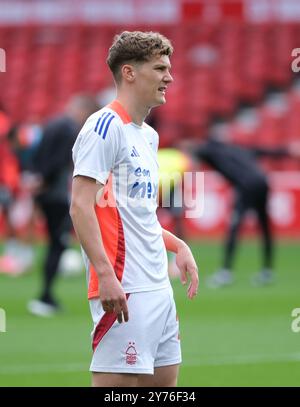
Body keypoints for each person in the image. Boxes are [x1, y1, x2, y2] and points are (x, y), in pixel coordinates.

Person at [70, 31, 199, 387]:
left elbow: (136, 217)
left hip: (160, 289)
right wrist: (106, 273)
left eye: (169, 68)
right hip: (125, 290)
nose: (169, 77)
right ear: (129, 73)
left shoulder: (148, 136)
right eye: (159, 68)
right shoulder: (103, 127)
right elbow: (81, 207)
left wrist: (178, 245)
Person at [28, 95, 99, 316]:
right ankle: (45, 296)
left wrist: (36, 179)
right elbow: (59, 161)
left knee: (54, 242)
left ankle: (47, 295)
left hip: (44, 191)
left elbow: (36, 154)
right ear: (82, 110)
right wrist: (46, 181)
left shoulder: (51, 124)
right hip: (55, 193)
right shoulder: (69, 129)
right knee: (57, 243)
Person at [192, 136, 293, 288]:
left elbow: (199, 152)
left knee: (234, 227)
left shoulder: (212, 152)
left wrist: (189, 151)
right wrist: (286, 150)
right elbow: (264, 151)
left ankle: (225, 273)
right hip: (262, 182)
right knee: (264, 226)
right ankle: (267, 271)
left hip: (246, 186)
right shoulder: (238, 149)